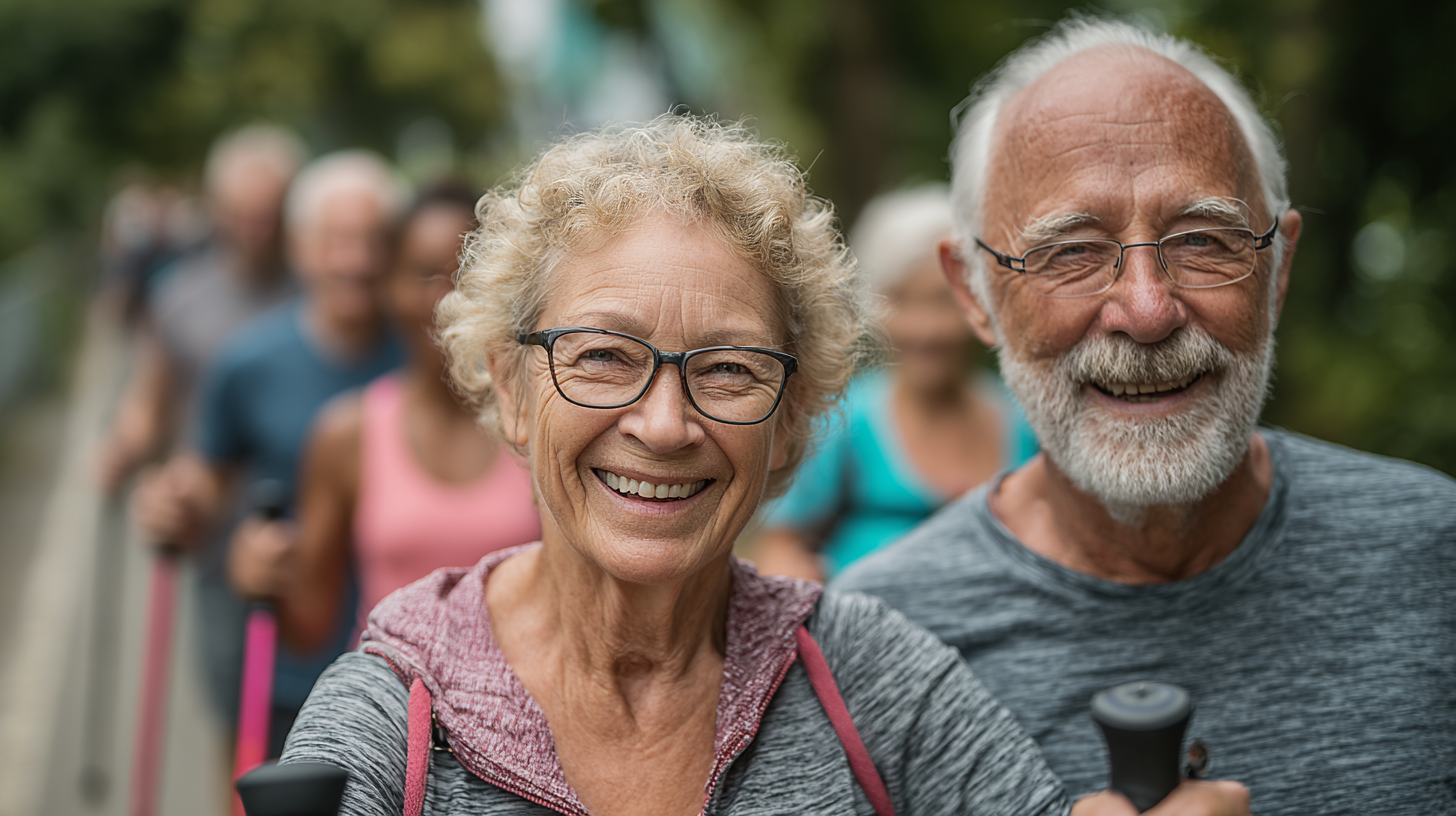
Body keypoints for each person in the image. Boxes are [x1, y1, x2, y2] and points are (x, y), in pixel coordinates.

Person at [278, 115, 1249, 816]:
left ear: (790, 425)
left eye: (730, 371)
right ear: (514, 389)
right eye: (604, 357)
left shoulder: (878, 688)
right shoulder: (390, 722)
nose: (663, 425)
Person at [834, 16, 1456, 815]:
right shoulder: (878, 644)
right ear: (973, 295)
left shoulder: (1436, 557)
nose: (1146, 310)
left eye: (1204, 240)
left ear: (1279, 269)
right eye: (1071, 251)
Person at [132, 150, 406, 756]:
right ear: (302, 247)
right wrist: (174, 502)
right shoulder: (249, 361)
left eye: (372, 241)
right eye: (336, 240)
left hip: (407, 667)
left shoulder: (428, 357)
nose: (355, 261)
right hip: (284, 655)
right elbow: (207, 472)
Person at [227, 180, 541, 651]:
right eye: (422, 276)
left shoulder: (540, 426)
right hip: (388, 712)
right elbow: (307, 629)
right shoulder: (346, 434)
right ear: (388, 287)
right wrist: (262, 574)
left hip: (520, 710)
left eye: (466, 276)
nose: (446, 299)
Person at [752, 184, 1037, 580]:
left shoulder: (1024, 419)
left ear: (976, 303)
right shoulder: (841, 420)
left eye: (943, 301)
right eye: (902, 300)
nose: (926, 329)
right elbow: (781, 545)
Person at [99, 125, 305, 493]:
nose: (257, 231)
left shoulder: (319, 294)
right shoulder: (177, 296)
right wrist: (122, 448)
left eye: (269, 216)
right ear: (218, 210)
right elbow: (149, 400)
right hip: (206, 514)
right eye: (244, 215)